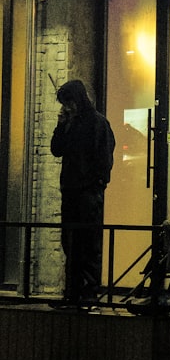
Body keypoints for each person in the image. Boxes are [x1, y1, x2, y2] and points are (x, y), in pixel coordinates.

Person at [50, 79, 116, 308]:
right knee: (71, 243)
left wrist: (96, 184)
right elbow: (56, 150)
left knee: (88, 243)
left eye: (68, 102)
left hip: (87, 193)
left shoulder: (97, 123)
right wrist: (60, 126)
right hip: (71, 190)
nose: (66, 107)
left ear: (77, 100)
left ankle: (89, 293)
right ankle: (73, 293)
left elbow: (104, 158)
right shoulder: (71, 123)